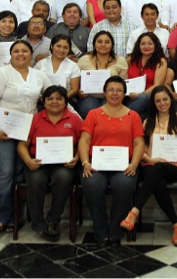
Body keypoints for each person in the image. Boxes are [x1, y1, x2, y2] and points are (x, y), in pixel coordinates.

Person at [0, 40, 52, 232]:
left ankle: (17, 215)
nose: (20, 54)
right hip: (2, 130)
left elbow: (53, 97)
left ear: (31, 54)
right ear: (10, 54)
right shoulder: (1, 73)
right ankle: (1, 216)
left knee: (21, 173)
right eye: (16, 51)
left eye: (24, 51)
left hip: (27, 130)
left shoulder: (39, 75)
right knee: (5, 172)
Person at [120, 86, 177, 245]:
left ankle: (135, 210)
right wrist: (151, 159)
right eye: (158, 101)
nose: (162, 103)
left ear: (171, 100)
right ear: (153, 103)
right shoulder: (148, 122)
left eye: (165, 99)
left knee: (159, 170)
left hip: (174, 166)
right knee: (157, 180)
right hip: (151, 165)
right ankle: (176, 224)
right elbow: (142, 150)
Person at [78, 76, 145, 247]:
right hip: (96, 164)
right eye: (111, 90)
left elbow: (139, 143)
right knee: (92, 184)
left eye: (119, 90)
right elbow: (84, 141)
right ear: (104, 92)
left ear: (124, 93)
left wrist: (134, 164)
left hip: (124, 164)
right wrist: (85, 162)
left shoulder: (133, 116)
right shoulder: (93, 114)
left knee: (124, 184)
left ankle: (115, 230)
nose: (115, 93)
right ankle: (100, 230)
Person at [17, 86, 83, 242]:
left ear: (66, 102)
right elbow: (22, 145)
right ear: (43, 102)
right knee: (36, 180)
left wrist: (77, 157)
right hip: (37, 162)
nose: (55, 102)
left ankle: (53, 220)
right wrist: (28, 161)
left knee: (63, 178)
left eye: (59, 98)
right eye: (50, 98)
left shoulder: (74, 119)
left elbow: (83, 142)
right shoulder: (34, 119)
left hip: (64, 163)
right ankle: (39, 223)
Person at [77, 31, 129, 119]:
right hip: (89, 96)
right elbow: (76, 82)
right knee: (88, 108)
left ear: (112, 45)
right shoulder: (83, 60)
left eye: (107, 42)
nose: (103, 45)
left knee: (108, 110)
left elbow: (124, 83)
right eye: (100, 42)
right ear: (94, 44)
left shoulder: (120, 60)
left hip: (112, 97)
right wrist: (79, 92)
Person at [126, 32, 168, 120]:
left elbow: (157, 85)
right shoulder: (131, 59)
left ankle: (125, 118)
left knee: (143, 99)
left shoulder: (161, 61)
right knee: (140, 117)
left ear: (155, 45)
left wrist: (139, 95)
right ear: (138, 46)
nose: (146, 46)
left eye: (150, 43)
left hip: (148, 96)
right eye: (143, 44)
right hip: (129, 96)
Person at [34, 34, 81, 108]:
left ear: (69, 49)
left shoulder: (73, 66)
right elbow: (34, 85)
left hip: (66, 100)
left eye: (65, 47)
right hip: (43, 100)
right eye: (58, 46)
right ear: (52, 46)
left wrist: (61, 99)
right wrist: (43, 99)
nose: (62, 50)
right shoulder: (41, 64)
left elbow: (74, 89)